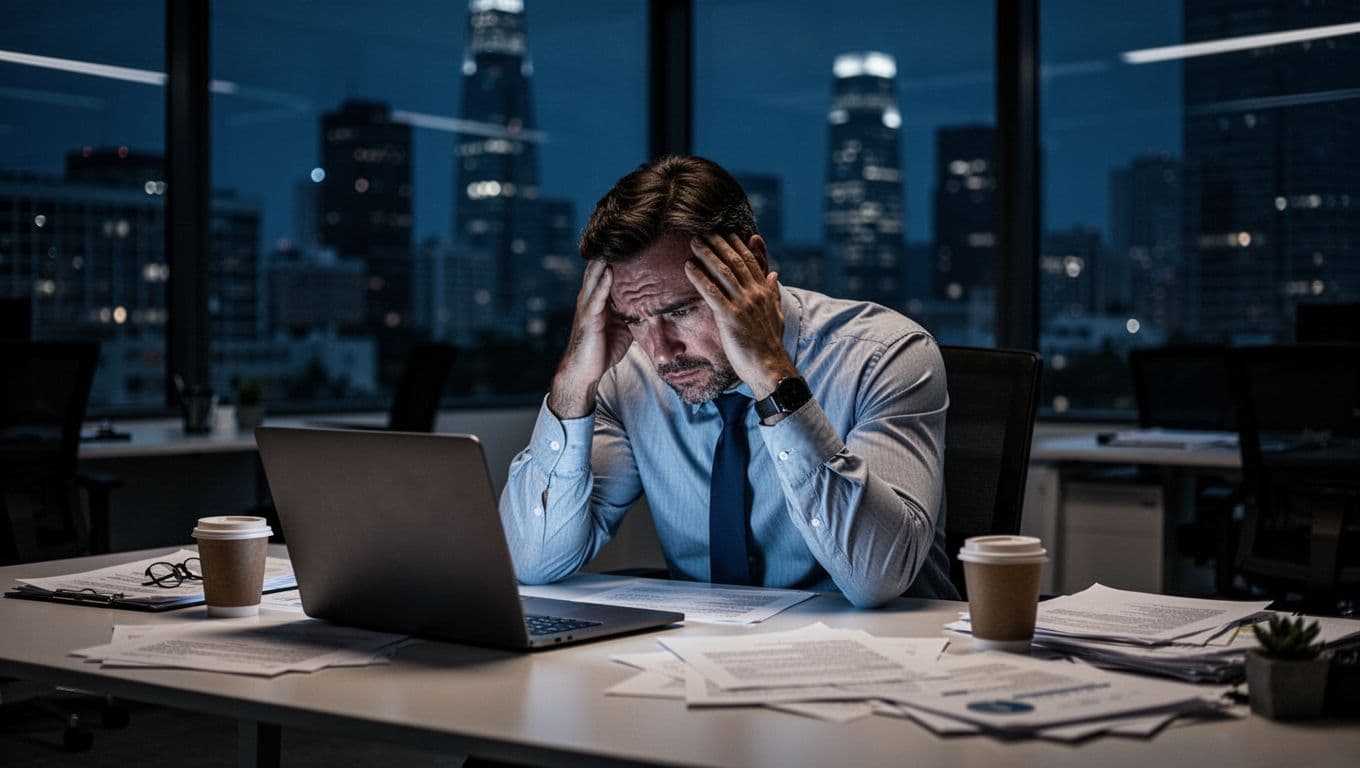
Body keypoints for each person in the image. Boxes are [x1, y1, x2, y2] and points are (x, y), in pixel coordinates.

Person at [497, 155, 957, 607]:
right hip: (702, 662)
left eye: (681, 311)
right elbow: (533, 561)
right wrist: (573, 384)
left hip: (887, 662)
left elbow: (876, 578)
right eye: (633, 319)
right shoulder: (629, 379)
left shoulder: (885, 355)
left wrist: (771, 375)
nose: (661, 352)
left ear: (752, 264)